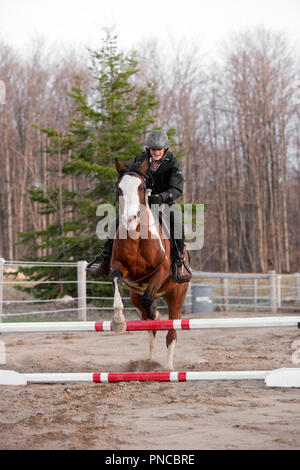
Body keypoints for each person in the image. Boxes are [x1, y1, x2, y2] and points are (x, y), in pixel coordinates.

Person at [87, 130, 192, 283]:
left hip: (164, 202)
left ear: (165, 149)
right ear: (148, 149)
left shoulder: (173, 163)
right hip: (142, 203)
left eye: (159, 149)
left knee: (176, 225)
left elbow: (177, 189)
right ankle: (104, 261)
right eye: (153, 149)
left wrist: (161, 197)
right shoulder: (140, 160)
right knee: (115, 223)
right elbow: (130, 176)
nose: (156, 152)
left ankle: (178, 263)